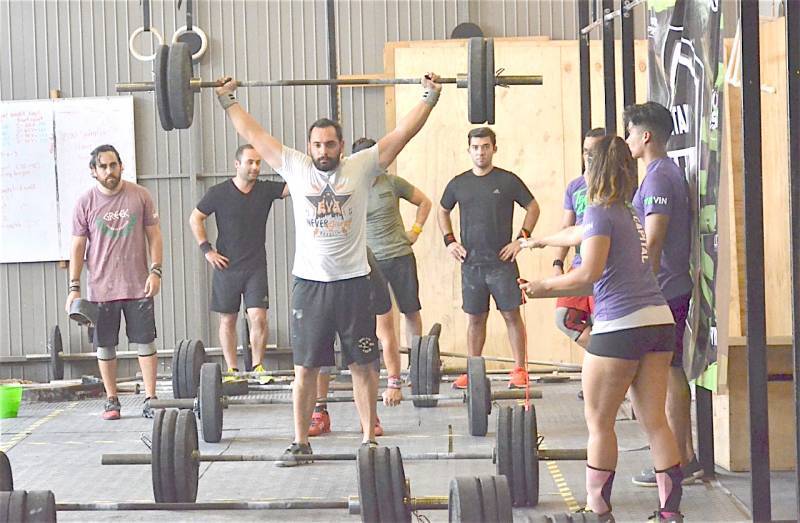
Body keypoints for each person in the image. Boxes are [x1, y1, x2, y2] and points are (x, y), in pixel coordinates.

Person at [213, 71, 442, 465]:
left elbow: (403, 133)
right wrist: (227, 101)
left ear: (340, 145)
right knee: (305, 368)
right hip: (311, 285)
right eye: (317, 144)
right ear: (309, 146)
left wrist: (430, 96)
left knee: (362, 365)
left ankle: (369, 439)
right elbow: (255, 134)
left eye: (330, 143)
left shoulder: (362, 166)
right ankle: (301, 441)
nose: (324, 150)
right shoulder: (294, 165)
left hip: (354, 282)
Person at [519, 135, 684, 522]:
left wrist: (543, 288)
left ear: (593, 169)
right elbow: (578, 235)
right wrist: (539, 241)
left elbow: (588, 275)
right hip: (658, 322)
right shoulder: (626, 212)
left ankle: (599, 510)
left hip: (620, 326)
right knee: (655, 421)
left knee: (599, 424)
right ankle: (670, 515)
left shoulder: (598, 211)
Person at [624, 102, 702, 486]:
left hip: (666, 289)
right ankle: (681, 456)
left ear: (646, 135)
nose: (627, 140)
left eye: (630, 133)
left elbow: (652, 242)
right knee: (669, 371)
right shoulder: (659, 173)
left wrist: (642, 290)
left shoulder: (658, 177)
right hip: (666, 287)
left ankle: (679, 460)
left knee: (669, 373)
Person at [64, 144, 163, 420]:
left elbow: (154, 236)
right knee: (105, 344)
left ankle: (151, 398)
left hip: (138, 285)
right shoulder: (85, 203)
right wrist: (74, 288)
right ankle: (112, 399)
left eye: (113, 165)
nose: (110, 171)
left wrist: (156, 271)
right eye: (104, 166)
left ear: (121, 166)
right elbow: (77, 247)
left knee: (146, 342)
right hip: (101, 289)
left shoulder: (140, 196)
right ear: (94, 171)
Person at [437, 127, 540, 389]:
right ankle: (473, 371)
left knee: (511, 315)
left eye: (485, 146)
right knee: (475, 318)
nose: (480, 152)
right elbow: (442, 210)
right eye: (475, 147)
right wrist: (450, 241)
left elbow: (533, 207)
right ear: (468, 150)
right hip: (471, 265)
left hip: (502, 264)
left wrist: (521, 240)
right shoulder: (458, 183)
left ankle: (520, 370)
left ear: (494, 148)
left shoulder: (507, 181)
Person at [189, 144, 288, 382]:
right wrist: (207, 250)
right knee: (228, 319)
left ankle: (257, 367)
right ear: (237, 164)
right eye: (250, 163)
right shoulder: (218, 193)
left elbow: (295, 185)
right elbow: (195, 218)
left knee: (259, 317)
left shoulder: (265, 190)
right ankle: (232, 370)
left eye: (258, 163)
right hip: (227, 267)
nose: (255, 167)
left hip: (255, 266)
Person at [309, 248, 400, 438]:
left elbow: (387, 335)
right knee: (319, 347)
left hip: (356, 303)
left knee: (365, 354)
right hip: (321, 288)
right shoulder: (317, 262)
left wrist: (394, 383)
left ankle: (368, 414)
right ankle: (319, 411)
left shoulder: (372, 277)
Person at [355, 137, 432, 346]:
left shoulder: (392, 182)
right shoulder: (351, 188)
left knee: (410, 310)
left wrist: (415, 231)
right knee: (369, 315)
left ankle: (414, 364)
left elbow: (425, 202)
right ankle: (372, 365)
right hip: (370, 262)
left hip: (400, 256)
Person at [553, 128, 606, 353]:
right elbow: (567, 227)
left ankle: (610, 374)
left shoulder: (615, 186)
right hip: (578, 264)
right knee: (564, 317)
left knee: (602, 323)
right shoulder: (574, 187)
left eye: (595, 152)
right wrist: (557, 263)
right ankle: (604, 360)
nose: (589, 157)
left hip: (602, 267)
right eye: (586, 151)